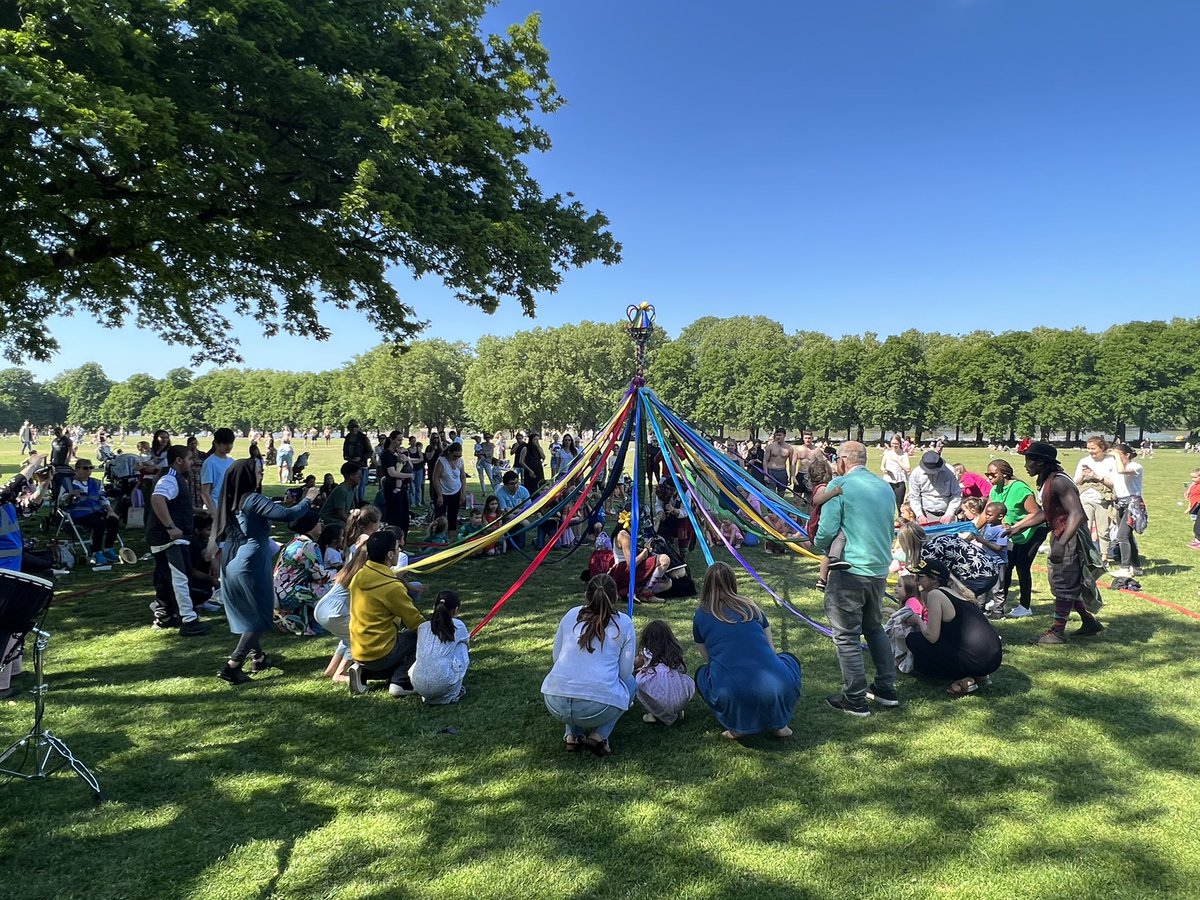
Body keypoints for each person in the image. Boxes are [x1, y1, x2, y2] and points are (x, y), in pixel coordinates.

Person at [210, 459, 319, 683]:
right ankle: (233, 665)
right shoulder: (252, 499)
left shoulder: (228, 500)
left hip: (231, 558)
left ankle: (258, 657)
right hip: (250, 561)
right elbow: (288, 515)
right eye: (259, 472)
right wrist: (308, 499)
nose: (261, 475)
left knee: (247, 611)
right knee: (260, 614)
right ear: (249, 476)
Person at [813, 440, 898, 716]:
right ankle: (885, 688)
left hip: (849, 570)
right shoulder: (884, 487)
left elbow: (826, 530)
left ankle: (855, 698)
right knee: (874, 628)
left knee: (846, 635)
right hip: (879, 569)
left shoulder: (840, 486)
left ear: (841, 460)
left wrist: (819, 545)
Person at [1004, 441, 1104, 644]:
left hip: (1069, 537)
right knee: (1067, 582)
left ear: (1040, 462)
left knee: (1063, 582)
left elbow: (1076, 514)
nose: (1026, 466)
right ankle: (1088, 621)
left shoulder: (1059, 482)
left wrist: (1062, 543)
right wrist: (1017, 528)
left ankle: (1057, 632)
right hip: (1062, 534)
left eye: (1029, 461)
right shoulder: (1048, 481)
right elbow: (1046, 513)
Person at [692, 562, 801, 739]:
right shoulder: (751, 606)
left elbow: (709, 659)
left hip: (731, 690)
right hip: (778, 683)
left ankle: (737, 726)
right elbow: (771, 649)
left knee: (702, 674)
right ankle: (780, 724)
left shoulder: (700, 615)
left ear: (706, 585)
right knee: (788, 659)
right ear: (733, 582)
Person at [541, 573, 636, 756]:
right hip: (595, 709)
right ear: (616, 598)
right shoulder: (624, 623)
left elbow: (556, 657)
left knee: (572, 676)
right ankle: (600, 736)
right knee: (631, 684)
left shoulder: (571, 614)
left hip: (554, 701)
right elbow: (625, 673)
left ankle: (572, 735)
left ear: (586, 595)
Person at [902, 558, 1003, 694]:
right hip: (994, 659)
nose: (916, 581)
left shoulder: (935, 594)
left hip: (975, 660)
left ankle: (963, 678)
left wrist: (916, 619)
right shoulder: (958, 593)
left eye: (920, 577)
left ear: (934, 579)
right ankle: (979, 675)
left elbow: (932, 636)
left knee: (914, 640)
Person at [347, 530, 425, 696]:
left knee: (402, 641)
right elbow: (415, 622)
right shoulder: (391, 586)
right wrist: (437, 632)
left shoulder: (358, 576)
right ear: (390, 555)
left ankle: (364, 672)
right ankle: (401, 682)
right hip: (379, 652)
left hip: (358, 649)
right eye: (397, 548)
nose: (399, 550)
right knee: (420, 637)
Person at [147, 444, 212, 635]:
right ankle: (188, 620)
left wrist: (195, 511)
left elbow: (173, 502)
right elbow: (158, 499)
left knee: (164, 577)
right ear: (179, 460)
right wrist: (171, 526)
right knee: (180, 578)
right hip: (170, 538)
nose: (192, 463)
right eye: (190, 459)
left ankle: (165, 615)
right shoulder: (170, 477)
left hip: (162, 536)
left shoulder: (171, 477)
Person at [985, 459, 1047, 619]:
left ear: (1004, 474)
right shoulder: (995, 490)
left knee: (1022, 566)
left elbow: (1036, 513)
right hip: (1012, 534)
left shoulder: (1020, 489)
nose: (989, 478)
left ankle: (1025, 606)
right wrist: (972, 530)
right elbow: (987, 513)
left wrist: (1015, 527)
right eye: (987, 474)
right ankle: (1001, 602)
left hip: (1033, 531)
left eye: (993, 474)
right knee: (1006, 566)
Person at [273, 509, 330, 634]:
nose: (321, 524)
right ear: (311, 525)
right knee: (331, 587)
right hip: (290, 593)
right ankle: (327, 620)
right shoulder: (308, 546)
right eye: (319, 521)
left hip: (278, 592)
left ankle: (291, 619)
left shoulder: (294, 541)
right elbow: (320, 576)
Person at [408, 589, 470, 704]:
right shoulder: (458, 625)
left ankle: (430, 692)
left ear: (434, 607)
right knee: (462, 647)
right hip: (443, 682)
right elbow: (467, 643)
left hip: (418, 682)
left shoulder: (422, 627)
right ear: (456, 610)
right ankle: (452, 692)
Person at [634, 619, 695, 725]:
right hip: (677, 691)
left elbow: (635, 663)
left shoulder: (646, 652)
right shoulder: (674, 651)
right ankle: (678, 709)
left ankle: (653, 713)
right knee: (680, 683)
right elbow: (681, 669)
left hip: (656, 689)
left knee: (640, 682)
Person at [60, 458, 120, 565]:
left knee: (113, 520)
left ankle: (108, 549)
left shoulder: (96, 483)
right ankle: (97, 552)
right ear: (77, 470)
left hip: (97, 511)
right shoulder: (67, 483)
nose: (89, 470)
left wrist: (110, 510)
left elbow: (103, 498)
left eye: (91, 468)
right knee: (99, 523)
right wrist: (70, 495)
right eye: (85, 468)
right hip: (79, 514)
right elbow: (60, 501)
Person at [1074, 436, 1117, 560]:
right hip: (1085, 498)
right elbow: (1076, 481)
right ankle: (1087, 556)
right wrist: (1083, 475)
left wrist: (1096, 476)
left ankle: (1104, 556)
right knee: (1085, 528)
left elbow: (1114, 483)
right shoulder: (1084, 461)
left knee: (1103, 530)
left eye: (1093, 448)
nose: (1090, 451)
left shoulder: (1111, 461)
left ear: (1102, 448)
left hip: (1103, 499)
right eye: (1088, 448)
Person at [1109, 442, 1144, 578]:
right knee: (1127, 536)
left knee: (1122, 536)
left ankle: (1125, 569)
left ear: (1127, 455)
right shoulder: (1115, 467)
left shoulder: (1135, 466)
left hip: (1132, 504)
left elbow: (1122, 471)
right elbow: (1113, 482)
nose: (1114, 457)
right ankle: (1136, 567)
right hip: (1120, 503)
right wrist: (1095, 476)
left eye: (1118, 455)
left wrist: (1117, 456)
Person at [907, 452, 963, 523]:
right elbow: (914, 497)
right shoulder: (916, 474)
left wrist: (949, 514)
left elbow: (956, 494)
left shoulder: (950, 471)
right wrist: (919, 515)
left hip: (947, 514)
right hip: (926, 514)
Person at [377, 431, 413, 536]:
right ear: (391, 439)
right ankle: (394, 539)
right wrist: (409, 475)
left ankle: (402, 539)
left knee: (404, 517)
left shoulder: (397, 453)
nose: (400, 442)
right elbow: (392, 473)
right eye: (398, 440)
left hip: (402, 488)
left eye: (401, 440)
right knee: (396, 516)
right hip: (392, 488)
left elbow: (409, 464)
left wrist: (406, 459)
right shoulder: (387, 454)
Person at [432, 441, 466, 539]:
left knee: (453, 516)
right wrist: (439, 495)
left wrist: (463, 493)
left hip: (456, 491)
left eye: (459, 456)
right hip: (442, 491)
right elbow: (435, 478)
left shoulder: (460, 461)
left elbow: (463, 477)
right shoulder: (442, 461)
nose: (457, 458)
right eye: (455, 456)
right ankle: (438, 538)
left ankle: (451, 539)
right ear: (449, 453)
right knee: (440, 517)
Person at [200, 428, 236, 512]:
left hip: (229, 508)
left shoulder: (232, 462)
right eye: (225, 444)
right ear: (216, 443)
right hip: (216, 507)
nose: (229, 446)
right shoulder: (210, 463)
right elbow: (205, 492)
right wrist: (213, 512)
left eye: (231, 443)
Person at [496, 470, 532, 549]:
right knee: (511, 546)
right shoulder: (500, 493)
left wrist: (513, 510)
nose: (515, 486)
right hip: (507, 521)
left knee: (520, 545)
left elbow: (529, 509)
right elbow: (504, 513)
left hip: (519, 518)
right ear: (505, 484)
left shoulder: (523, 491)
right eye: (512, 484)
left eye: (516, 482)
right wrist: (522, 520)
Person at [319, 462, 361, 527]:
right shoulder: (341, 490)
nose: (361, 477)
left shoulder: (351, 489)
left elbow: (351, 510)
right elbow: (341, 514)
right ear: (351, 476)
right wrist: (353, 524)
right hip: (329, 520)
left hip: (338, 519)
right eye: (359, 475)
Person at [342, 420, 372, 504]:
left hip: (361, 465)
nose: (353, 429)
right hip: (351, 465)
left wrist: (361, 458)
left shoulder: (363, 437)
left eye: (354, 427)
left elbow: (370, 452)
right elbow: (345, 450)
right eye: (351, 427)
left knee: (361, 485)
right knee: (350, 484)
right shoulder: (348, 437)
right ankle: (352, 501)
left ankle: (360, 501)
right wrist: (347, 457)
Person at [880, 436, 911, 511]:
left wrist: (897, 460)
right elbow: (882, 466)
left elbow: (908, 469)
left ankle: (900, 517)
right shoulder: (887, 453)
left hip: (899, 482)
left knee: (899, 505)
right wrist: (884, 470)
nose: (894, 445)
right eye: (893, 443)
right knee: (887, 504)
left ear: (900, 443)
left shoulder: (904, 454)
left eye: (896, 443)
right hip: (888, 481)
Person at [762, 429, 792, 496]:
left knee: (781, 494)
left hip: (782, 472)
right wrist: (765, 474)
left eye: (780, 435)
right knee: (771, 494)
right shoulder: (770, 447)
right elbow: (765, 460)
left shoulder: (789, 448)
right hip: (771, 472)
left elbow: (791, 463)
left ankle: (779, 503)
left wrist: (791, 476)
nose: (778, 437)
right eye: (777, 435)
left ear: (784, 435)